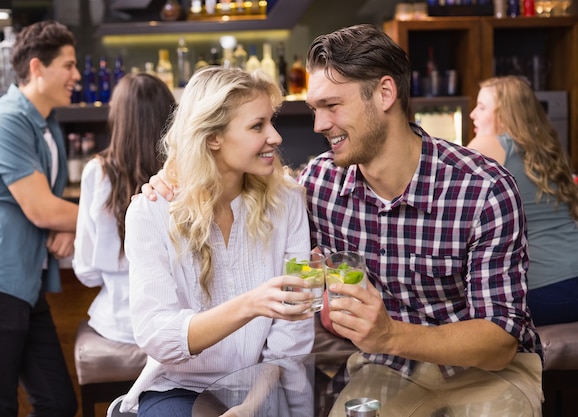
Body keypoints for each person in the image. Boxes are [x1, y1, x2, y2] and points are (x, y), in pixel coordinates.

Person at [145, 24, 544, 416]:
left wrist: (390, 335)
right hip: (386, 369)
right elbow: (237, 186)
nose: (318, 125)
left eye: (332, 106)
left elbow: (500, 342)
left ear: (385, 93)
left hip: (489, 374)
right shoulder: (319, 184)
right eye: (316, 109)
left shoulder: (482, 189)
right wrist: (174, 177)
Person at [120, 66, 315, 416]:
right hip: (181, 388)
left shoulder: (288, 203)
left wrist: (250, 407)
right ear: (213, 137)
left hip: (263, 384)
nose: (275, 137)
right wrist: (252, 303)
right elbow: (159, 336)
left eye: (272, 122)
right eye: (257, 126)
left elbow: (291, 337)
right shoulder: (150, 213)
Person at [0, 21, 80, 417]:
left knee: (58, 404)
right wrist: (121, 216)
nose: (77, 76)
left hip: (22, 284)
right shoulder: (5, 121)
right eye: (69, 65)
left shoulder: (46, 124)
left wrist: (68, 225)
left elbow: (50, 208)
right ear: (39, 68)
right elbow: (42, 209)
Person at [72, 72, 175, 344]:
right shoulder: (183, 172)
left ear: (117, 118)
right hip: (178, 325)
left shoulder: (97, 172)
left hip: (118, 322)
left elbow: (86, 271)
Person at [468, 75, 578, 327]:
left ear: (505, 115)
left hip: (544, 288)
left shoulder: (488, 145)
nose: (473, 114)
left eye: (482, 107)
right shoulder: (548, 149)